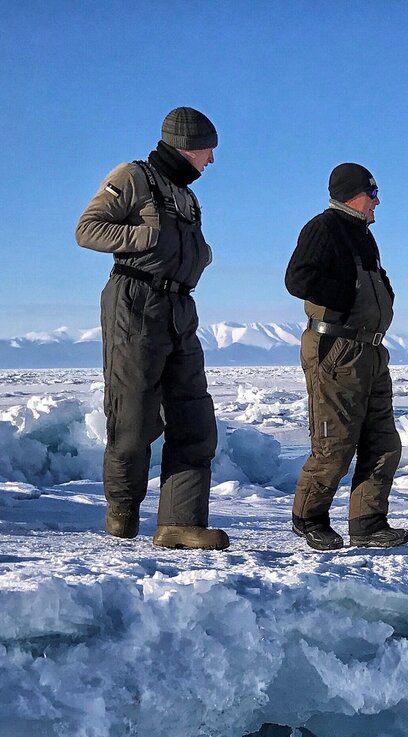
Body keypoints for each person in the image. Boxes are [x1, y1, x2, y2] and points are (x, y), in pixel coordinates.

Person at [75, 107, 228, 550]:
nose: (211, 161)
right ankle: (123, 509)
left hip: (180, 307)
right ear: (186, 144)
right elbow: (87, 229)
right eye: (207, 151)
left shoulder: (185, 194)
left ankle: (180, 523)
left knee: (195, 418)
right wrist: (144, 238)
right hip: (136, 301)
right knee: (134, 416)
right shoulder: (133, 176)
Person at [285, 163, 408, 550]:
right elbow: (297, 279)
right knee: (334, 445)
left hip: (371, 350)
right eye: (371, 193)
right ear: (351, 195)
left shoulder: (363, 235)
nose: (377, 201)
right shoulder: (324, 228)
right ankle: (309, 518)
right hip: (337, 349)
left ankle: (368, 522)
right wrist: (347, 292)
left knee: (384, 442)